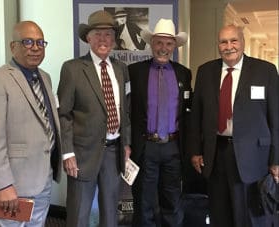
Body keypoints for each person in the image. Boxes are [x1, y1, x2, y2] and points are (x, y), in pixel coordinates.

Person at [188, 24, 279, 227]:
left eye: (233, 40)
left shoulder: (265, 71)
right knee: (220, 215)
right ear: (218, 45)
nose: (229, 46)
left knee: (249, 218)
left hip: (254, 158)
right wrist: (195, 150)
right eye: (223, 42)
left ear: (243, 42)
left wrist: (276, 159)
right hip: (216, 154)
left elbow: (276, 118)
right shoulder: (205, 71)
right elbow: (196, 116)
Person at [0, 21, 61, 227]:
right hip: (12, 185)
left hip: (42, 179)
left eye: (40, 42)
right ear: (12, 46)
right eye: (27, 42)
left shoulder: (45, 77)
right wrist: (2, 185)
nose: (35, 47)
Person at [57, 10, 131, 227]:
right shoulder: (72, 69)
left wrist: (126, 143)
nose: (103, 39)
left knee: (110, 215)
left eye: (108, 34)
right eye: (97, 34)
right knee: (79, 215)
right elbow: (64, 113)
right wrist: (68, 152)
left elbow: (124, 109)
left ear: (114, 40)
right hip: (82, 154)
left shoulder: (121, 69)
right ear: (88, 38)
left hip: (113, 152)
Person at [128, 18, 192, 227]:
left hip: (174, 147)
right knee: (144, 202)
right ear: (151, 43)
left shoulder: (183, 73)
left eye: (168, 44)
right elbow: (126, 110)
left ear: (174, 46)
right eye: (159, 43)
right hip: (146, 147)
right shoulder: (134, 72)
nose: (163, 48)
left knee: (172, 201)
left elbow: (188, 113)